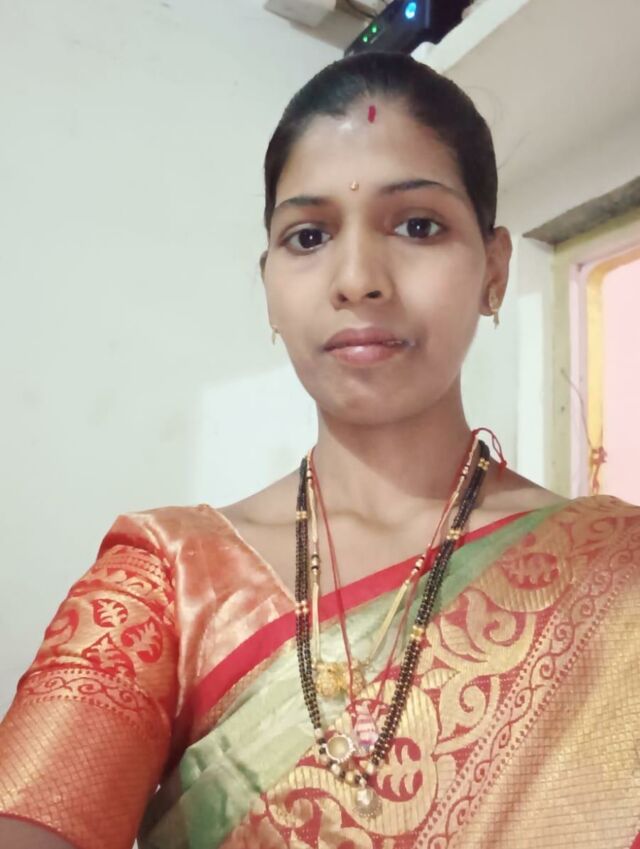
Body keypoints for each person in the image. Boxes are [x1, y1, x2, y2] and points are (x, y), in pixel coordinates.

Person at [0, 51, 638, 849]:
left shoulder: (620, 573)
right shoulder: (167, 581)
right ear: (269, 285)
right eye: (309, 235)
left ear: (495, 269)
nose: (358, 278)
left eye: (418, 225)